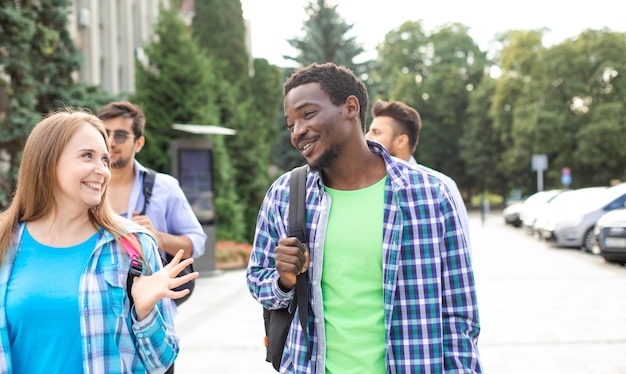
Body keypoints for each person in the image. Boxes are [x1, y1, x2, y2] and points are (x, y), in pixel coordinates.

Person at [247, 62, 482, 373]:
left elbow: (459, 313)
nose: (298, 132)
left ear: (350, 108)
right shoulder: (286, 194)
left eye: (308, 114)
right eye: (291, 125)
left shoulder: (430, 194)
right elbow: (256, 280)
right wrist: (284, 280)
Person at [0, 108, 198, 373]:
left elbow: (161, 363)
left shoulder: (133, 245)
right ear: (48, 162)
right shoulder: (5, 240)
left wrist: (144, 313)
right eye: (87, 156)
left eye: (104, 159)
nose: (102, 170)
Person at [97, 101, 207, 374]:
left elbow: (197, 242)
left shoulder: (163, 187)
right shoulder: (87, 186)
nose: (111, 142)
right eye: (105, 133)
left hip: (153, 323)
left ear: (139, 142)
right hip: (100, 321)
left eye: (121, 134)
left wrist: (156, 237)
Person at [365, 99, 471, 246]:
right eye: (369, 131)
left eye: (376, 132)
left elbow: (460, 252)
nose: (366, 137)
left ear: (401, 141)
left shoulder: (441, 187)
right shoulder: (365, 187)